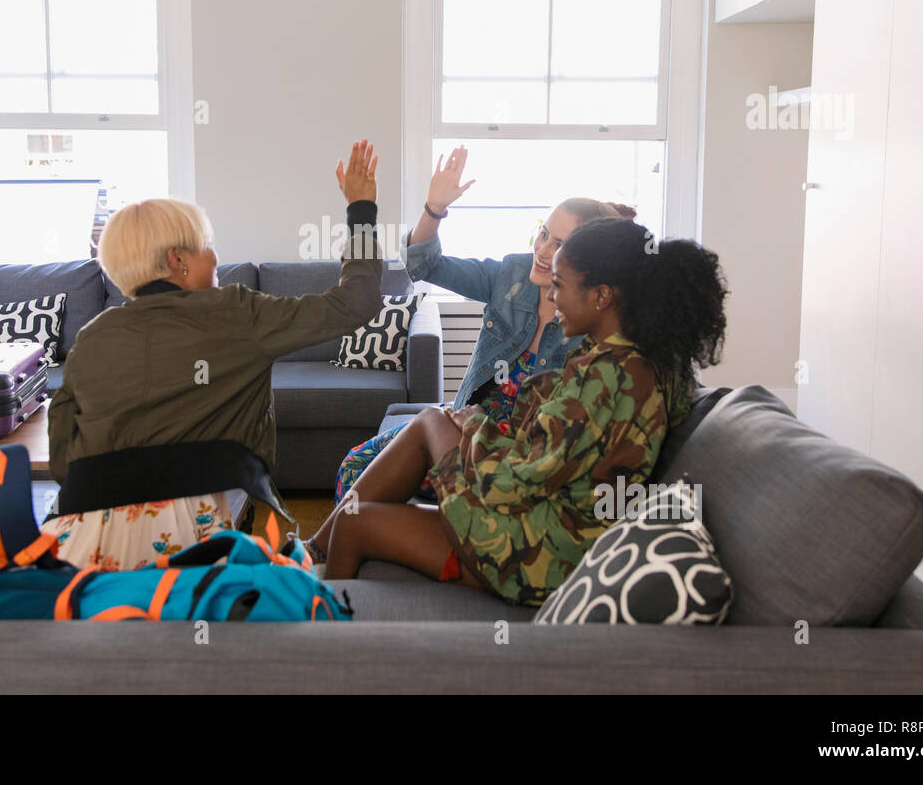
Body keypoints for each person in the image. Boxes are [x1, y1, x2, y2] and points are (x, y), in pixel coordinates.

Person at [314, 216, 728, 606]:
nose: (551, 296)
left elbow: (510, 483)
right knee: (430, 424)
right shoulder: (646, 359)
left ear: (602, 296)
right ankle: (305, 555)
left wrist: (472, 423)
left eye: (560, 286)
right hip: (554, 527)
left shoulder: (603, 380)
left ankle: (317, 628)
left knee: (361, 514)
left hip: (542, 558)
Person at [43, 140, 383, 570]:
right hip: (189, 539)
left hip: (77, 539)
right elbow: (356, 302)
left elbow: (61, 455)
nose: (217, 257)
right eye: (208, 245)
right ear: (178, 260)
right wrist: (362, 210)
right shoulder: (235, 313)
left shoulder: (91, 337)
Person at [323, 144, 633, 537]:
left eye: (560, 245)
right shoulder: (513, 273)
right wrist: (434, 209)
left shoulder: (592, 321)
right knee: (355, 465)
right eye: (543, 235)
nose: (542, 251)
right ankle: (342, 563)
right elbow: (424, 264)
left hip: (511, 456)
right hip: (460, 424)